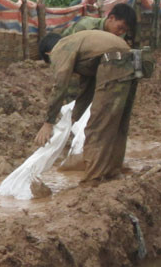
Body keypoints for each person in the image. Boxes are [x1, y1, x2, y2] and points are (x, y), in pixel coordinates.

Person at [35, 29, 144, 182]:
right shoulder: (82, 47)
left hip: (113, 64)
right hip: (132, 63)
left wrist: (48, 122)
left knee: (96, 127)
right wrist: (73, 118)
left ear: (48, 54)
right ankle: (112, 173)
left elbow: (60, 85)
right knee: (117, 125)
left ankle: (94, 179)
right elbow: (87, 90)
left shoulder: (60, 48)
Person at [61, 3, 136, 42]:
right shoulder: (86, 27)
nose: (121, 32)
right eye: (120, 28)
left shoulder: (119, 34)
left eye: (124, 31)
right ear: (111, 18)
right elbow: (71, 47)